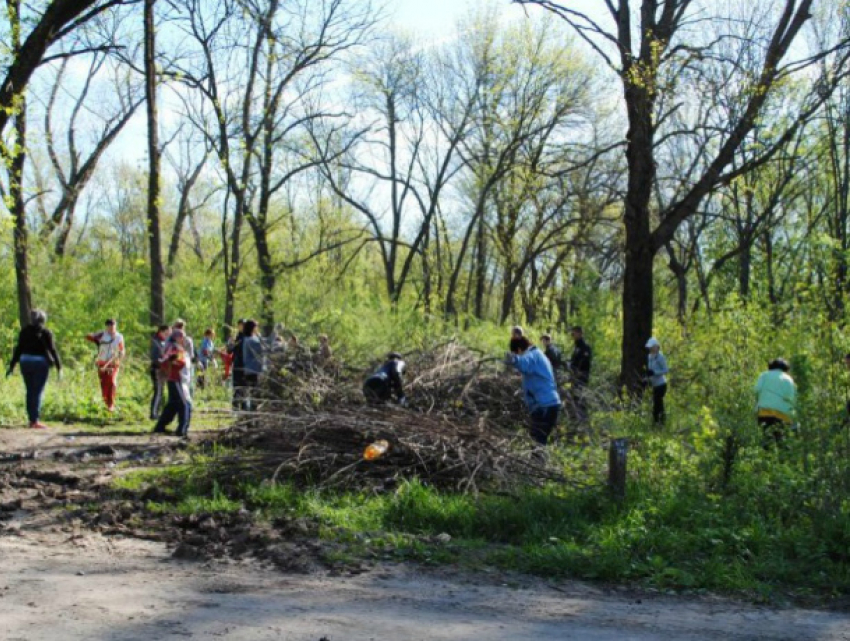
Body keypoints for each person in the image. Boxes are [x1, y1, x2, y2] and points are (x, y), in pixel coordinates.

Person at [7, 309, 62, 429]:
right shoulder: (46, 332)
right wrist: (59, 367)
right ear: (43, 320)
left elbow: (18, 349)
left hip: (25, 362)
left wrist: (12, 366)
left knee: (30, 390)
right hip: (40, 364)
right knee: (37, 391)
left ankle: (31, 419)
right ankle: (35, 420)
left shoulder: (24, 331)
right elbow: (52, 350)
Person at [507, 336, 561, 446]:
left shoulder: (532, 355)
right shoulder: (538, 354)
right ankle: (538, 462)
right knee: (537, 441)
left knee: (538, 442)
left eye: (517, 353)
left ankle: (538, 463)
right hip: (547, 404)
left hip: (545, 406)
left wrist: (514, 359)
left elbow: (523, 363)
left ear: (519, 350)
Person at [152, 329, 192, 437]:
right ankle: (181, 430)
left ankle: (160, 426)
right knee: (183, 404)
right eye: (181, 336)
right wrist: (173, 362)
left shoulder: (176, 348)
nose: (183, 339)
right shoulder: (174, 348)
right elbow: (167, 362)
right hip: (175, 379)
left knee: (172, 405)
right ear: (177, 337)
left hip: (177, 379)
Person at [755, 358, 797, 448]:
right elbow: (792, 399)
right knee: (781, 441)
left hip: (765, 412)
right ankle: (782, 460)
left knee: (766, 440)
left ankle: (766, 458)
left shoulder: (764, 375)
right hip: (783, 415)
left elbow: (756, 390)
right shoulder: (789, 380)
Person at [85, 319, 125, 412]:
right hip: (102, 362)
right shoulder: (102, 335)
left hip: (113, 363)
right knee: (104, 384)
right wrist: (95, 336)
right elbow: (88, 337)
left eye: (113, 326)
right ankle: (105, 404)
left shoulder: (119, 336)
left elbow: (122, 349)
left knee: (112, 382)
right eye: (109, 327)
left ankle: (111, 405)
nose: (112, 329)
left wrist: (121, 354)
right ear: (106, 327)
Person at [567, 326, 593, 423]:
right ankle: (575, 420)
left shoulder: (585, 348)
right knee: (574, 399)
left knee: (580, 399)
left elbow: (585, 363)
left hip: (581, 378)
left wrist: (578, 372)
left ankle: (583, 420)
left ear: (579, 333)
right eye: (572, 334)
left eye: (573, 334)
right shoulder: (576, 347)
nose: (572, 336)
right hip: (574, 378)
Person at [239, 319, 265, 411]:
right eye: (256, 327)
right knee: (254, 394)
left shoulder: (250, 339)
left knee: (254, 394)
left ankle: (252, 412)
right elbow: (262, 348)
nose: (257, 329)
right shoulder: (250, 340)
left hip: (252, 370)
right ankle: (252, 414)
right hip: (252, 371)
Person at [645, 337, 669, 425]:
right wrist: (647, 378)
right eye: (649, 347)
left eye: (652, 347)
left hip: (661, 385)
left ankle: (659, 423)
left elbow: (666, 370)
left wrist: (655, 372)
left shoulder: (660, 357)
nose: (650, 348)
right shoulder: (649, 356)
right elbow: (650, 371)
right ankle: (659, 423)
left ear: (656, 347)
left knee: (657, 404)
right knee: (657, 404)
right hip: (654, 385)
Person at [149, 324, 171, 419]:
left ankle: (157, 412)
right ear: (161, 332)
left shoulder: (163, 341)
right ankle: (153, 414)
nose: (168, 335)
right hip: (157, 369)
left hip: (162, 370)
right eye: (167, 333)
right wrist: (162, 363)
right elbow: (155, 358)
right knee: (158, 392)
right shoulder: (156, 342)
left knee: (160, 392)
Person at [228, 319, 246, 409]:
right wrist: (231, 342)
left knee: (244, 386)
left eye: (243, 325)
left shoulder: (247, 337)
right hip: (237, 364)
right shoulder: (236, 337)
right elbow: (229, 351)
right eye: (240, 325)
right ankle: (235, 406)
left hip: (245, 365)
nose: (241, 326)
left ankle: (244, 406)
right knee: (236, 385)